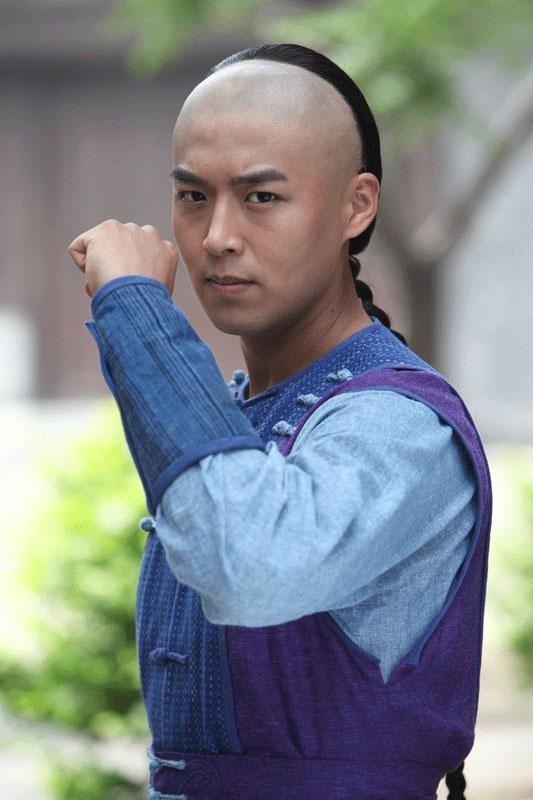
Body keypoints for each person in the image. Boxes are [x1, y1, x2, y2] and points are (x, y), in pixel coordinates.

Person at [68, 43, 491, 800]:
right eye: (193, 196)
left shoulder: (399, 427)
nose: (217, 236)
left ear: (356, 206)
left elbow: (246, 564)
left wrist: (136, 313)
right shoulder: (243, 414)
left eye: (261, 197)